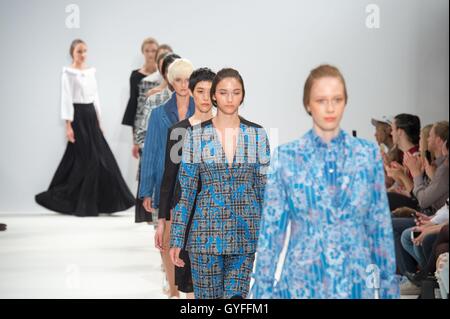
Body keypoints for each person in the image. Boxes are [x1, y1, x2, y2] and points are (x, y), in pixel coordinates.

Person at [251, 64, 399, 299]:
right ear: (308, 104)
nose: (330, 108)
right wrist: (261, 292)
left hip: (355, 284)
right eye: (321, 100)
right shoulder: (287, 157)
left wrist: (389, 291)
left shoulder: (366, 155)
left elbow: (378, 227)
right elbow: (272, 233)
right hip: (302, 284)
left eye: (337, 99)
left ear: (345, 102)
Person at [169, 68, 270, 299]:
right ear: (214, 96)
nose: (230, 98)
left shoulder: (257, 135)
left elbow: (264, 189)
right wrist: (176, 238)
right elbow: (186, 191)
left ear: (242, 96)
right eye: (224, 92)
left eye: (236, 92)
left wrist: (270, 236)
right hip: (205, 237)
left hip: (245, 235)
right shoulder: (195, 136)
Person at [35, 39, 134, 216]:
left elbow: (95, 97)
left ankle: (100, 203)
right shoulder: (68, 73)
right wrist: (68, 125)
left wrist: (99, 121)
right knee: (86, 161)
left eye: (85, 51)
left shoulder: (90, 72)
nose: (83, 55)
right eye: (79, 51)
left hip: (90, 116)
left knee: (102, 160)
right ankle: (79, 203)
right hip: (78, 116)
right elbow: (66, 98)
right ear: (72, 53)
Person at [139, 58, 196, 298]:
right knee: (167, 237)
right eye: (179, 80)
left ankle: (190, 291)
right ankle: (173, 290)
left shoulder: (202, 111)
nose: (183, 85)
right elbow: (151, 151)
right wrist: (145, 190)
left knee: (190, 240)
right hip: (166, 182)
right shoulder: (158, 114)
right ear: (171, 83)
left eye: (187, 80)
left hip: (193, 183)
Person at [157, 67, 216, 298]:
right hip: (188, 218)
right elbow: (168, 179)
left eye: (209, 92)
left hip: (217, 216)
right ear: (191, 92)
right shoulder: (179, 132)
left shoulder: (225, 130)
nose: (204, 97)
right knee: (190, 284)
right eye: (199, 91)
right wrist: (163, 222)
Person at [133, 52, 179, 224]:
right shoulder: (155, 100)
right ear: (165, 74)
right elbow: (142, 134)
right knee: (162, 227)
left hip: (184, 173)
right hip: (161, 172)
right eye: (172, 71)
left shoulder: (194, 101)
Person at [122, 37, 160, 159]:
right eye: (147, 50)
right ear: (143, 52)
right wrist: (135, 139)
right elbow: (133, 104)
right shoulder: (135, 76)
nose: (150, 54)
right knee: (145, 161)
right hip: (142, 122)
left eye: (153, 50)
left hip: (160, 121)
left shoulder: (163, 76)